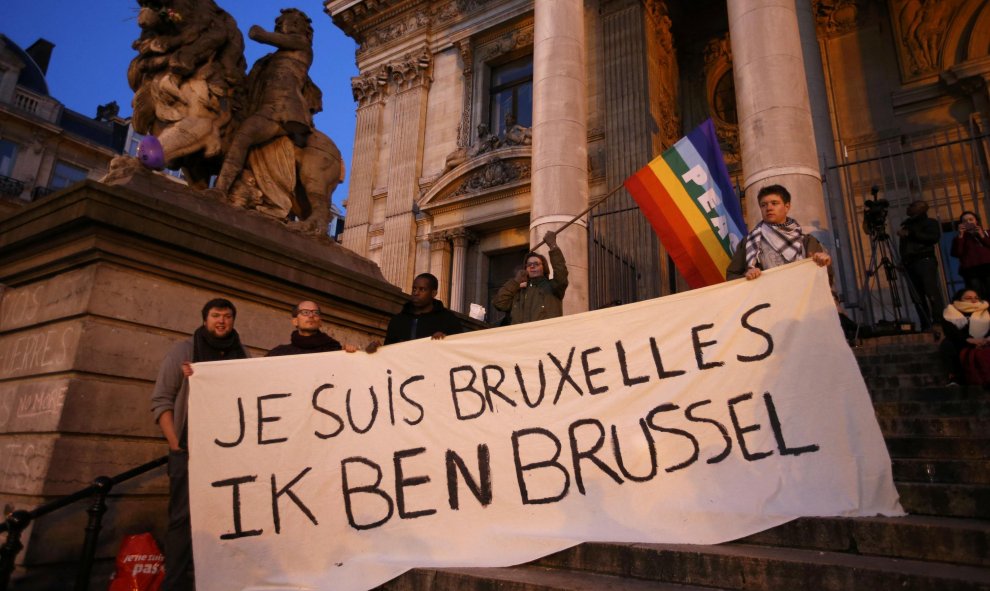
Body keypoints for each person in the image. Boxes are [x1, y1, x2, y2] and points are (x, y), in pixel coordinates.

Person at [150, 298, 249, 591]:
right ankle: (176, 584)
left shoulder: (243, 356)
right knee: (182, 521)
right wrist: (175, 443)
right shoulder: (184, 352)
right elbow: (161, 400)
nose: (221, 321)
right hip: (189, 453)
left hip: (228, 455)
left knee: (227, 519)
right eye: (216, 315)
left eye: (227, 316)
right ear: (205, 319)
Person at [725, 184, 832, 281]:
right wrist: (747, 275)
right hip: (767, 299)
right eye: (763, 205)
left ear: (787, 207)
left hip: (803, 300)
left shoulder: (807, 241)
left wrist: (824, 263)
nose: (769, 208)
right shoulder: (749, 242)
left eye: (774, 203)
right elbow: (732, 276)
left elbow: (826, 278)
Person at [493, 230, 568, 324]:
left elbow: (561, 273)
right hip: (521, 337)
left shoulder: (553, 287)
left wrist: (553, 246)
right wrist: (516, 282)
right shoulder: (518, 292)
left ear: (544, 268)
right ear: (525, 270)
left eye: (536, 264)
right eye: (529, 265)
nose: (532, 266)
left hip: (547, 336)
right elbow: (499, 303)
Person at [898, 200, 945, 329]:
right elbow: (905, 247)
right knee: (916, 296)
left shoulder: (930, 223)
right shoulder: (906, 225)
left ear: (921, 208)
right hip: (909, 263)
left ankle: (938, 321)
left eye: (911, 205)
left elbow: (933, 238)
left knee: (931, 291)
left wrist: (911, 233)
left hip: (924, 260)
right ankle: (925, 323)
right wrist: (903, 260)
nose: (908, 207)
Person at [380, 273, 463, 346]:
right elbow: (388, 350)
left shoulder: (448, 319)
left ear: (433, 293)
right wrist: (377, 350)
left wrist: (445, 339)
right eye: (414, 289)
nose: (416, 293)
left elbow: (458, 348)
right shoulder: (397, 320)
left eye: (422, 289)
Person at [940, 289, 990, 385]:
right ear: (960, 299)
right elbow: (951, 332)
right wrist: (969, 340)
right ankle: (954, 377)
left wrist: (986, 340)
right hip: (963, 341)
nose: (974, 300)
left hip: (985, 341)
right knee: (947, 344)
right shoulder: (950, 312)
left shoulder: (987, 311)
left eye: (976, 298)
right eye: (968, 298)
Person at [266, 300, 345, 356]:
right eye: (305, 312)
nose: (311, 316)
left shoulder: (334, 350)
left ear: (320, 321)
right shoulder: (279, 353)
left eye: (315, 313)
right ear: (295, 321)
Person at [950, 210, 990, 299]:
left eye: (971, 219)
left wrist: (982, 235)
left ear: (976, 221)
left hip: (988, 267)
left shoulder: (987, 233)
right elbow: (957, 253)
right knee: (977, 295)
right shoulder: (959, 238)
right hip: (971, 271)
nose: (968, 222)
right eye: (965, 221)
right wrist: (960, 236)